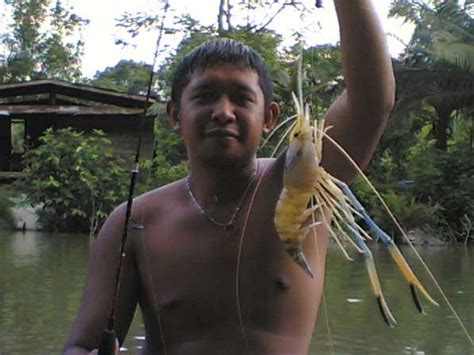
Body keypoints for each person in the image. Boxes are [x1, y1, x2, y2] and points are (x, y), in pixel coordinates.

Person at [63, 1, 395, 354]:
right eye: (205, 96)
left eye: (241, 98)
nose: (223, 112)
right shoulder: (132, 222)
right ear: (175, 115)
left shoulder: (303, 184)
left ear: (269, 117)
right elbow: (81, 345)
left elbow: (371, 103)